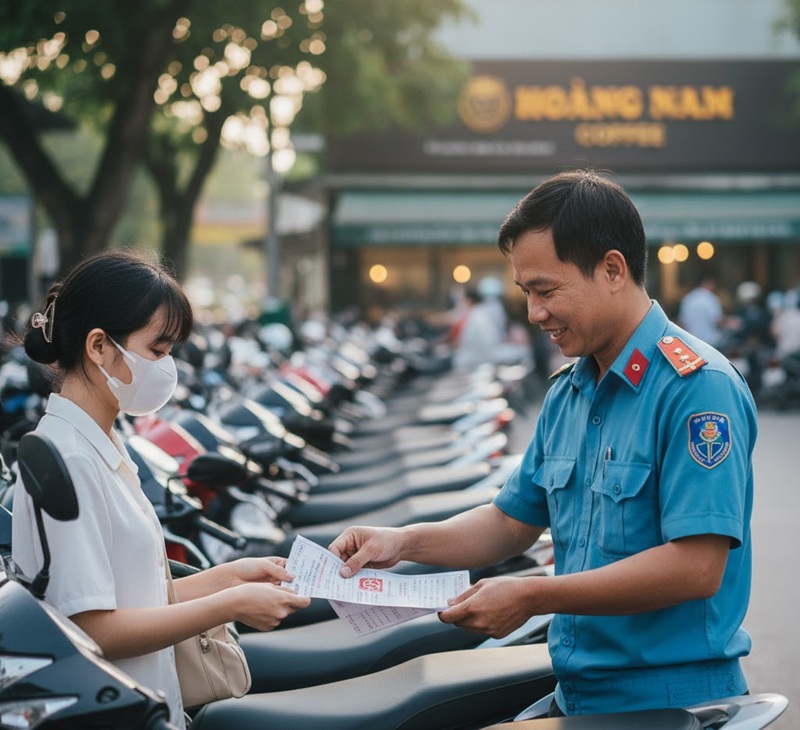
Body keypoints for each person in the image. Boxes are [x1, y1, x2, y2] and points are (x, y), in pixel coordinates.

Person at [330, 170, 756, 717]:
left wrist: (534, 596)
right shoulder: (571, 391)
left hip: (668, 703)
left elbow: (695, 567)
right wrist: (402, 542)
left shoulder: (698, 389)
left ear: (611, 270)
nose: (533, 314)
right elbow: (511, 522)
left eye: (546, 290)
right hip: (579, 693)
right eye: (526, 293)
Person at [11, 250, 310, 728]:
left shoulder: (102, 441)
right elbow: (92, 629)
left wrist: (230, 577)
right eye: (158, 350)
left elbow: (139, 597)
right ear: (99, 346)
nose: (167, 367)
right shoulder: (67, 457)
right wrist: (230, 603)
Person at [677, 275, 724, 347]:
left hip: (692, 341)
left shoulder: (688, 298)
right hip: (710, 341)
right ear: (708, 283)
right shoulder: (711, 298)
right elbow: (717, 321)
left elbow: (682, 322)